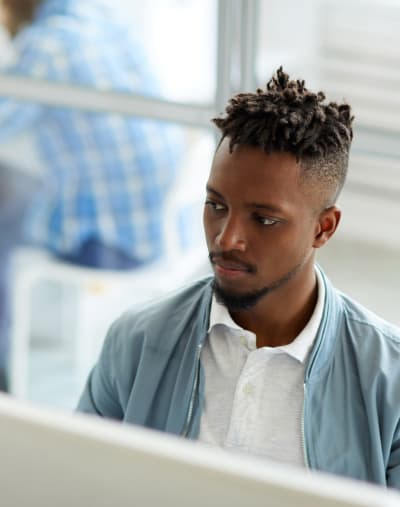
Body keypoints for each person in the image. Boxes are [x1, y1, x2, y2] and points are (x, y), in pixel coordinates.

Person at [77, 68, 400, 488]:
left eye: (264, 219)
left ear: (324, 228)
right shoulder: (137, 341)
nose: (226, 238)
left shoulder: (388, 378)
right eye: (216, 205)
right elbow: (77, 486)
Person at [0, 0, 184, 389]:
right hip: (162, 224)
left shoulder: (46, 47)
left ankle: (3, 369)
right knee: (17, 187)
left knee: (7, 211)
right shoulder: (99, 17)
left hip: (109, 242)